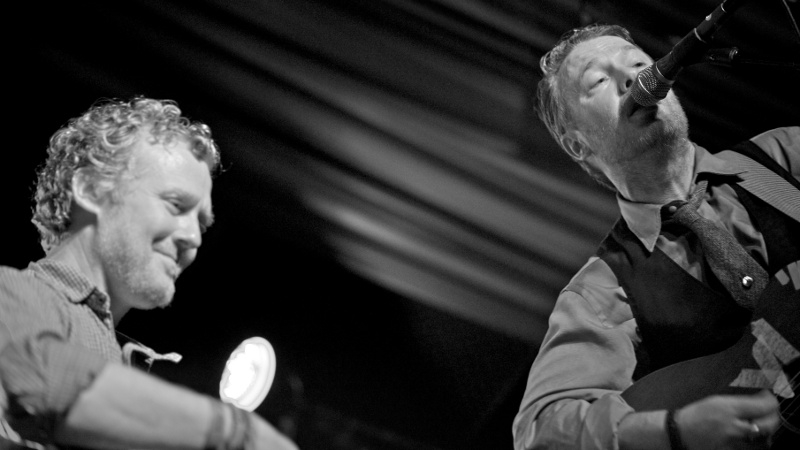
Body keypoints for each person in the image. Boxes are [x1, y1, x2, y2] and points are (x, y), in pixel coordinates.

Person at [513, 24, 799, 449]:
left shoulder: (785, 157)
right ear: (577, 145)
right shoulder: (603, 291)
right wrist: (676, 431)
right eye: (599, 80)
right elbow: (540, 431)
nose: (633, 79)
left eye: (639, 64)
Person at [0, 97, 299, 450]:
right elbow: (37, 373)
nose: (193, 237)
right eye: (176, 205)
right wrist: (237, 432)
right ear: (91, 189)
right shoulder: (10, 292)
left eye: (202, 223)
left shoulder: (138, 366)